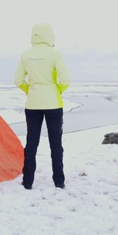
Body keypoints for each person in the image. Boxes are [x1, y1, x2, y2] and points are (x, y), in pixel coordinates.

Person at [14, 23, 71, 190]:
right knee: (55, 142)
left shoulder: (26, 54)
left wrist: (29, 91)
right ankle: (59, 181)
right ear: (50, 36)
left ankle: (28, 181)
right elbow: (66, 80)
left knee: (31, 142)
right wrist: (57, 90)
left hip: (33, 103)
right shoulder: (55, 54)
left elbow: (18, 80)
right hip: (53, 103)